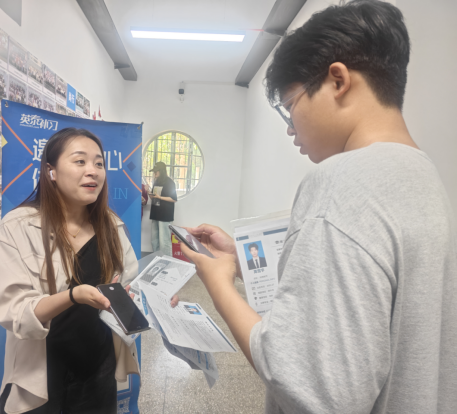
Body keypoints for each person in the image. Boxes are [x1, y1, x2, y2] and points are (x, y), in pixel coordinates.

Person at [180, 1, 457, 413]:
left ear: (338, 80)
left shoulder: (339, 182)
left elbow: (311, 388)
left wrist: (218, 284)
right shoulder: (422, 175)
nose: (291, 128)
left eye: (290, 106)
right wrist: (240, 261)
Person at [0, 128, 179, 414]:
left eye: (99, 163)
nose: (92, 171)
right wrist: (72, 296)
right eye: (80, 161)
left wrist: (155, 299)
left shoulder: (111, 227)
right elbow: (14, 311)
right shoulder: (18, 227)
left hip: (98, 370)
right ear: (51, 171)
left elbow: (128, 288)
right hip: (40, 375)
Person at [148, 161, 177, 256]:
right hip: (155, 214)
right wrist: (149, 193)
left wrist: (160, 197)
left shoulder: (169, 182)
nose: (154, 173)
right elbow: (154, 197)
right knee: (154, 241)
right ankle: (157, 260)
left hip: (165, 216)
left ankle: (167, 262)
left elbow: (174, 199)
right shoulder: (156, 182)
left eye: (156, 171)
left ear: (161, 171)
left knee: (164, 241)